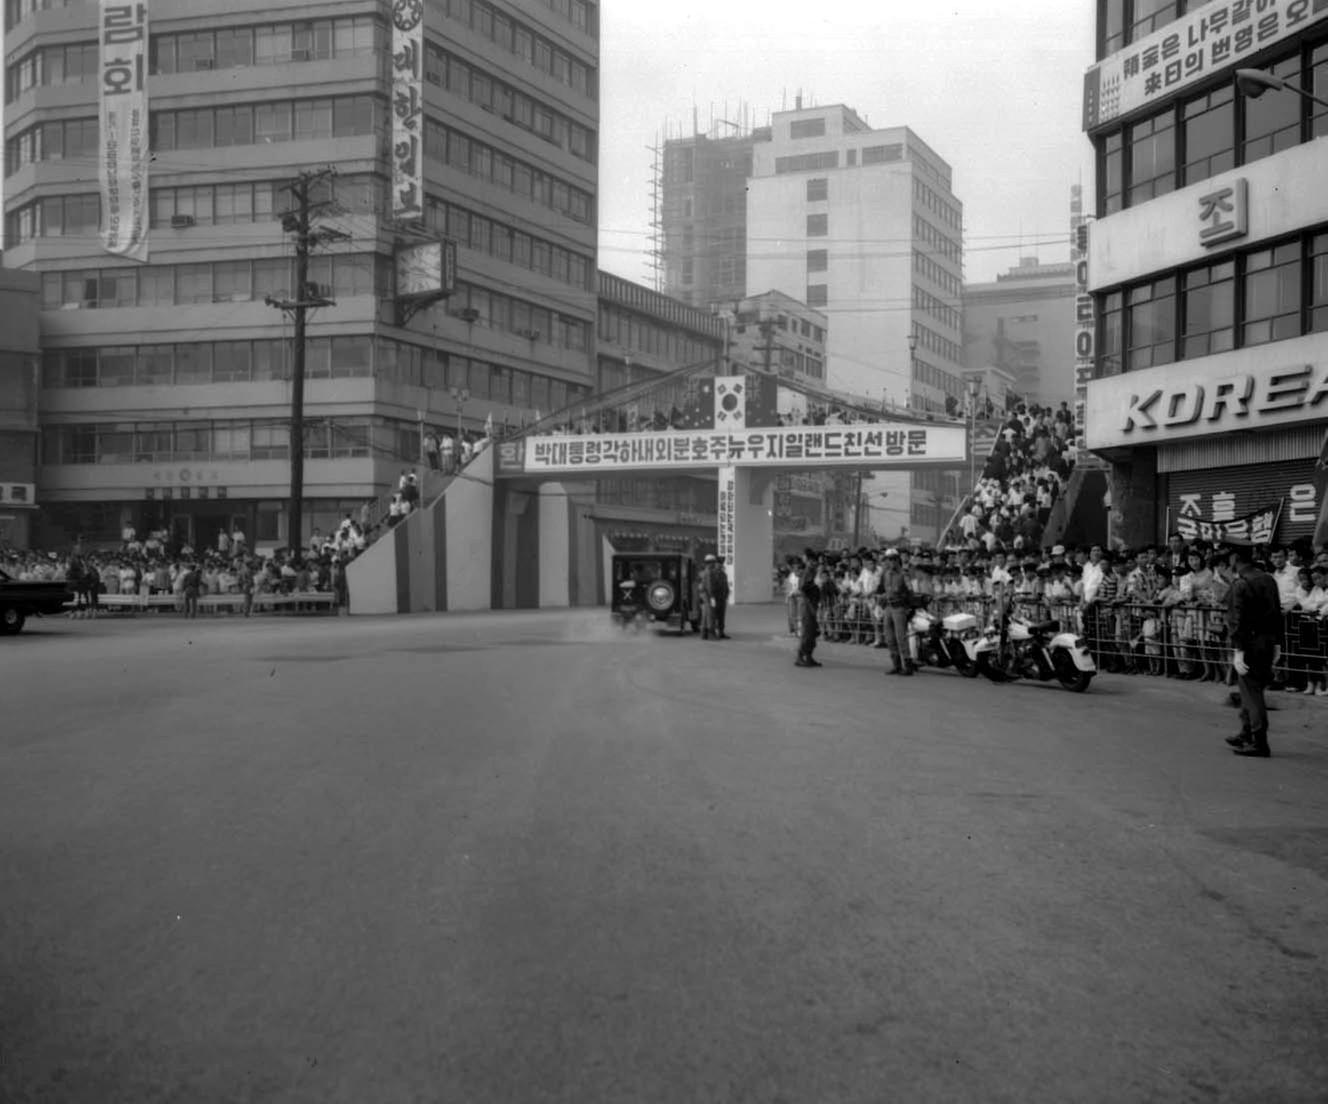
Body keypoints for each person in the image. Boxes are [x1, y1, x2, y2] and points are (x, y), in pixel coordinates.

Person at [1226, 544, 1284, 758]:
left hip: (1250, 642)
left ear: (1234, 559)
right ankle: (1247, 732)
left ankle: (1259, 740)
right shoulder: (1268, 579)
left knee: (1251, 692)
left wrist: (1238, 649)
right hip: (1267, 641)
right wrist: (1278, 643)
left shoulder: (1242, 583)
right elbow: (1277, 613)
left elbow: (1237, 619)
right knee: (1249, 689)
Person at [877, 547, 914, 675]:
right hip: (888, 607)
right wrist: (881, 598)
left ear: (897, 560)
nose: (891, 562)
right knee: (889, 637)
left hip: (899, 607)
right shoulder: (885, 574)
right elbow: (881, 590)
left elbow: (910, 592)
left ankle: (908, 665)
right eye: (888, 559)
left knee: (901, 637)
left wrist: (907, 607)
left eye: (893, 559)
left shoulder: (904, 574)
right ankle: (896, 664)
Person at [795, 568, 822, 668]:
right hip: (808, 612)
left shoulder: (812, 586)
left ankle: (809, 657)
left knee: (812, 635)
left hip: (813, 611)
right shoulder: (806, 587)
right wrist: (812, 610)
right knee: (806, 635)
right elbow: (804, 592)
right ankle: (799, 657)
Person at [707, 557, 731, 639]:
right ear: (715, 564)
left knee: (721, 616)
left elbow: (726, 586)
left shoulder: (724, 574)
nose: (720, 565)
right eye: (718, 564)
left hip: (722, 598)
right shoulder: (711, 574)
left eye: (721, 564)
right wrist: (711, 597)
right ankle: (713, 633)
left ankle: (721, 632)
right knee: (713, 616)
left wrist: (727, 594)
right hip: (715, 598)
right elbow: (710, 586)